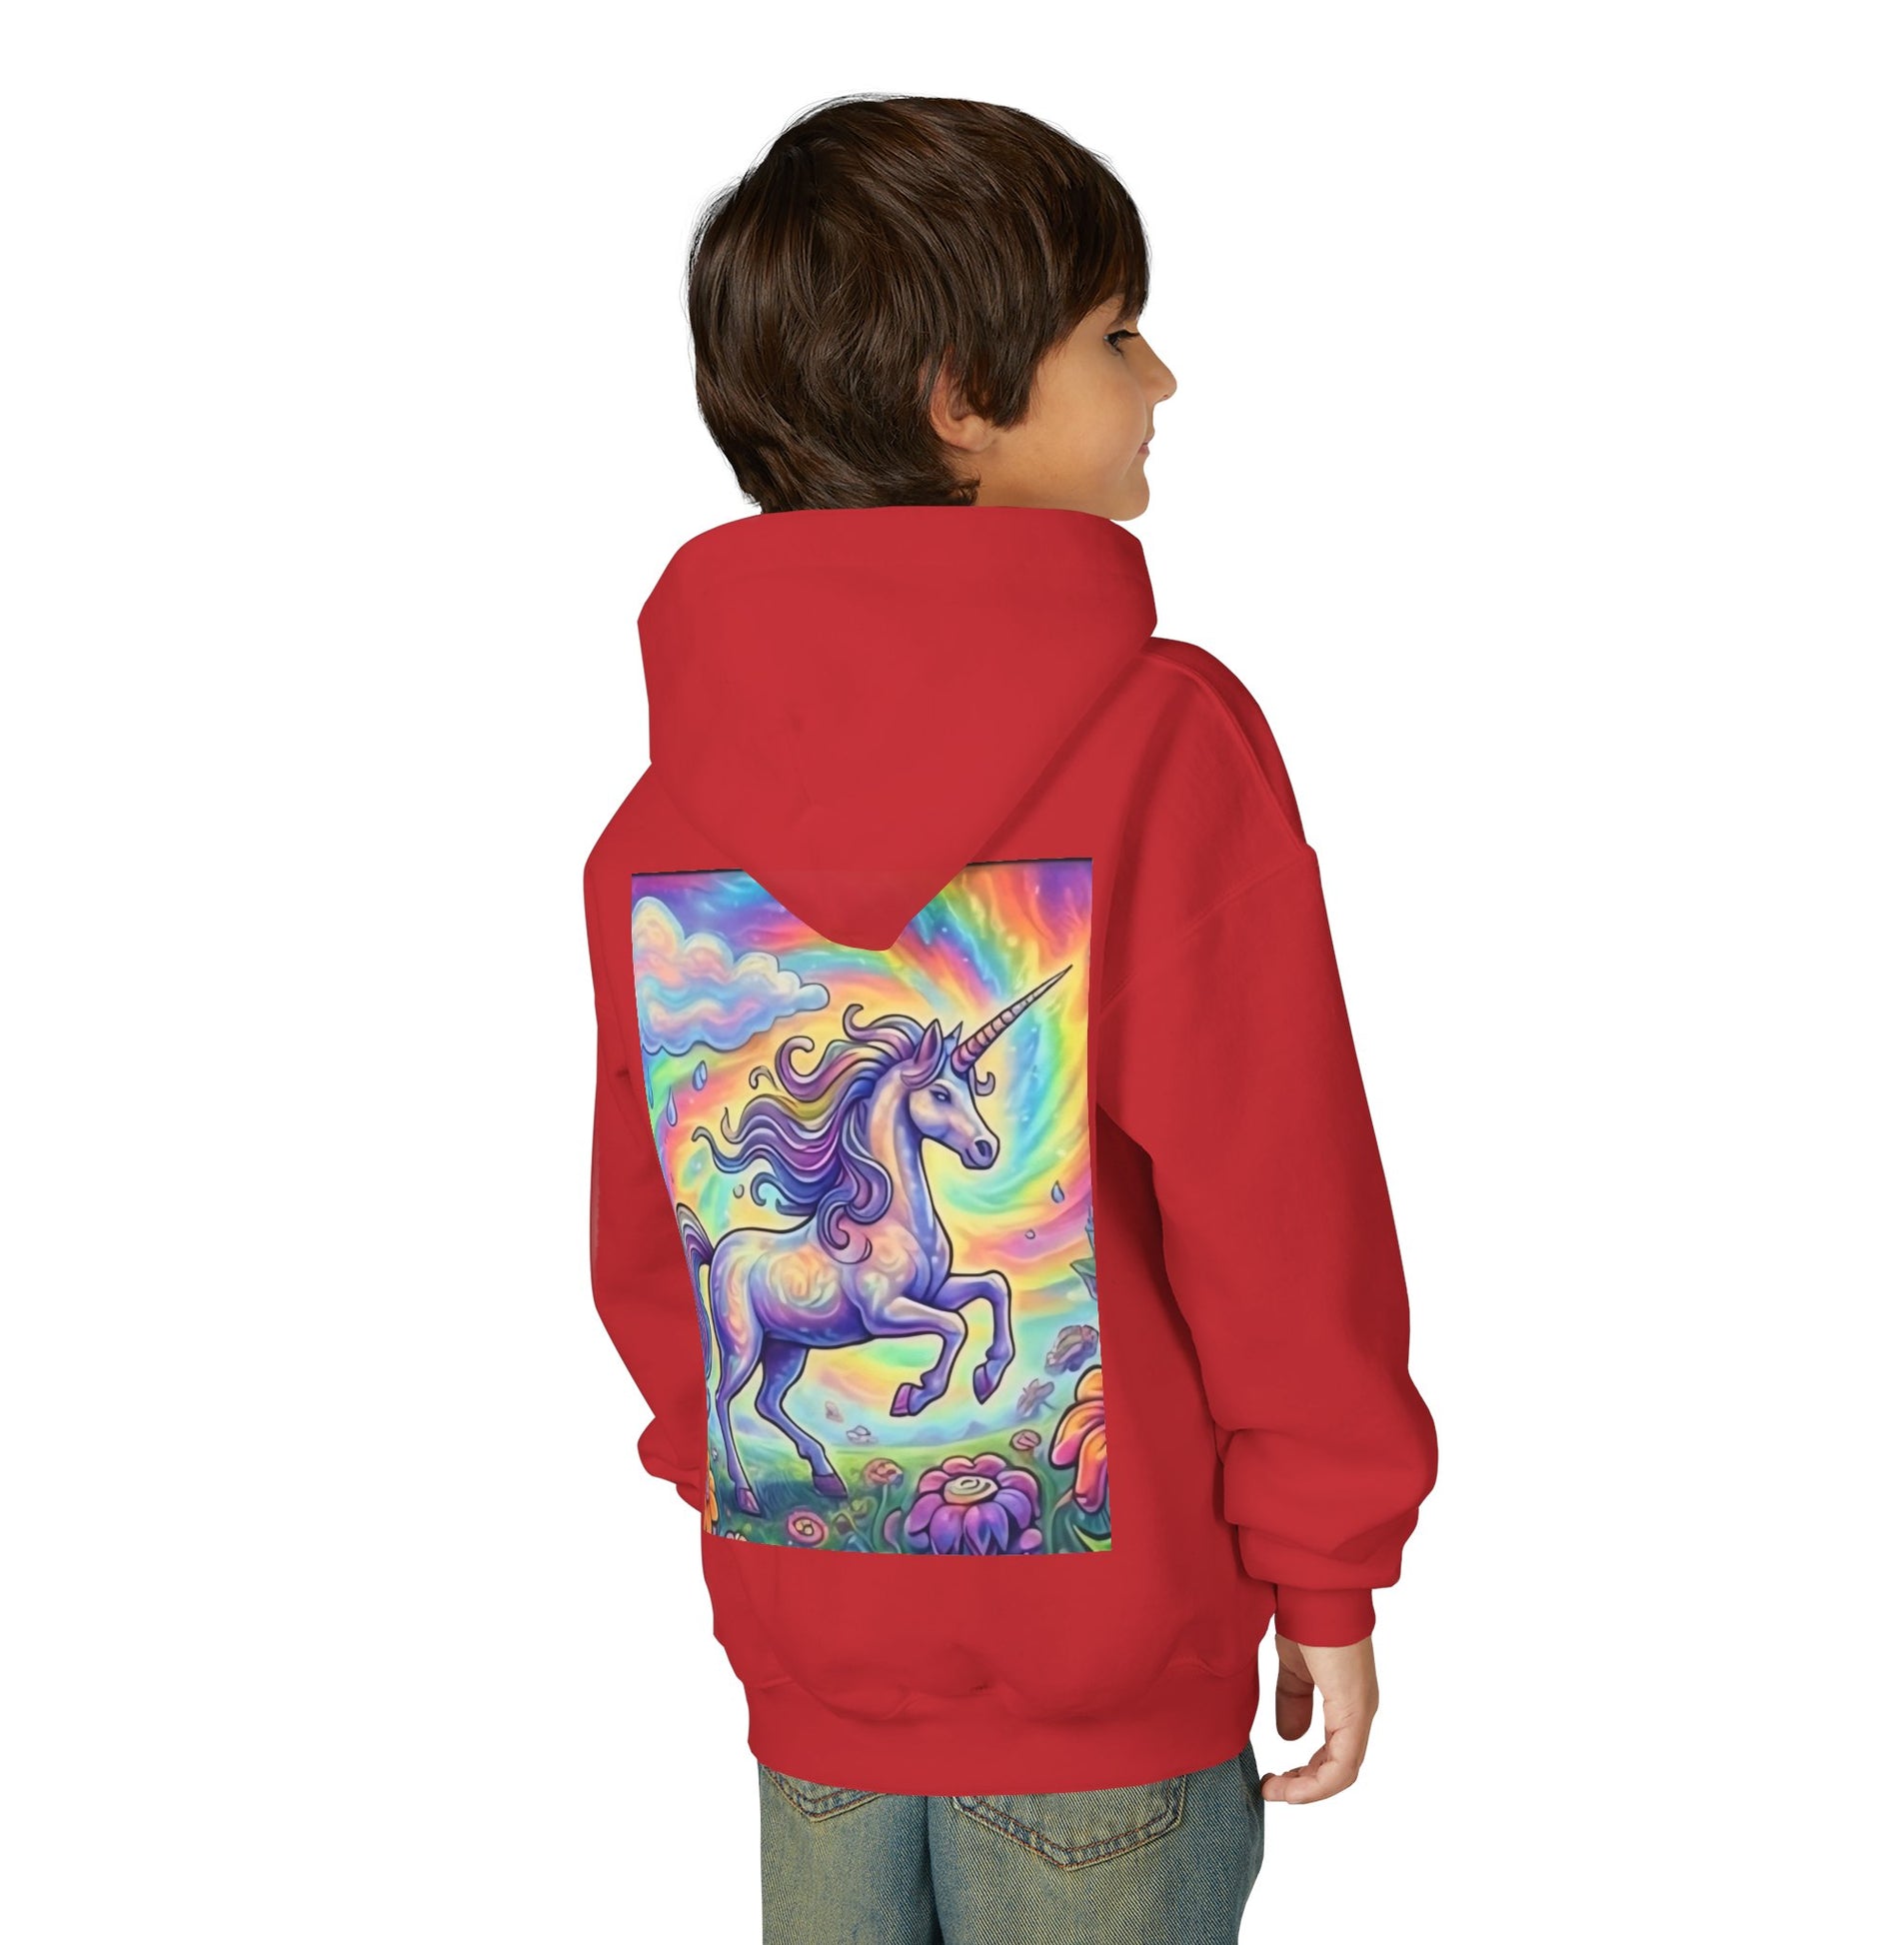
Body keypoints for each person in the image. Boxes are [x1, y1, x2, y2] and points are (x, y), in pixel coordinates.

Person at [582, 94, 1438, 1944]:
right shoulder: (1160, 744)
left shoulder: (659, 817)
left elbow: (656, 1243)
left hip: (812, 1661)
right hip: (1112, 1683)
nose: (1163, 379)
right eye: (1116, 335)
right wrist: (1327, 1560)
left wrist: (762, 1518)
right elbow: (1276, 1206)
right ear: (963, 397)